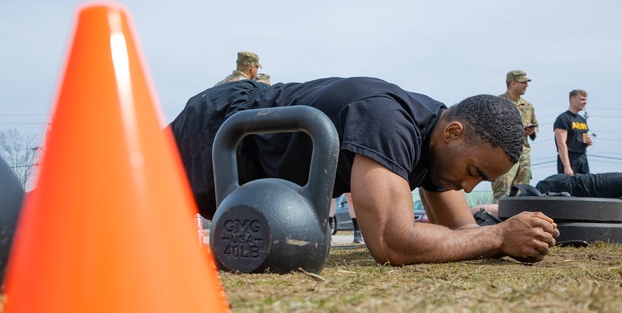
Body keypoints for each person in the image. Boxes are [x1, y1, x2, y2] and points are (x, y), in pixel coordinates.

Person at [169, 77, 559, 265]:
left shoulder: (441, 143)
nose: (469, 185)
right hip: (222, 123)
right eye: (472, 170)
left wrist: (498, 238)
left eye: (481, 180)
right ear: (452, 132)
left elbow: (468, 235)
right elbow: (392, 243)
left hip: (258, 160)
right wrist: (502, 235)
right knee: (121, 192)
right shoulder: (388, 122)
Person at [490, 70, 538, 203]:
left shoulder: (527, 106)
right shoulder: (498, 103)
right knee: (502, 196)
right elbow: (491, 128)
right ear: (513, 83)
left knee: (522, 195)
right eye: (523, 82)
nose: (526, 85)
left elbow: (535, 126)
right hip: (505, 155)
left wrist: (531, 131)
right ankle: (497, 222)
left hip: (523, 156)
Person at [554, 89, 592, 175]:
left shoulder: (582, 119)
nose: (585, 102)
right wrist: (567, 166)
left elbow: (582, 139)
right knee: (569, 187)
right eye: (582, 99)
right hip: (569, 158)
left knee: (586, 186)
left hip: (582, 158)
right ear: (572, 100)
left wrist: (587, 142)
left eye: (586, 100)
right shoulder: (563, 118)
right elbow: (561, 144)